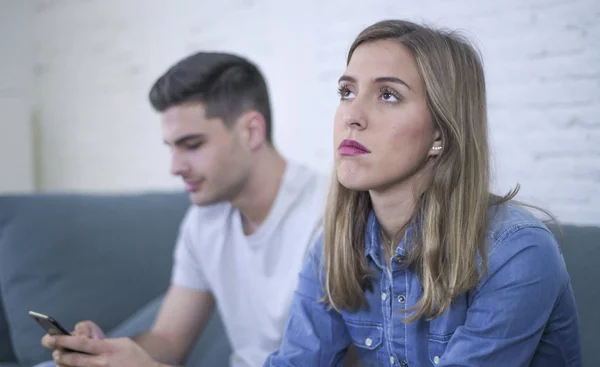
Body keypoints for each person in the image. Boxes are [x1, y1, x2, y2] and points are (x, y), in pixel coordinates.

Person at [265, 19, 582, 367]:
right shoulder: (334, 246)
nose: (351, 116)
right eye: (347, 92)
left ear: (441, 134)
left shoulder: (516, 251)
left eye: (388, 95)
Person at [39, 51, 328, 367]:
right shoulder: (204, 221)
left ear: (251, 131)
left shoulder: (328, 216)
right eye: (172, 147)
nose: (175, 167)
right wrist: (109, 352)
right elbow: (167, 341)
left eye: (192, 145)